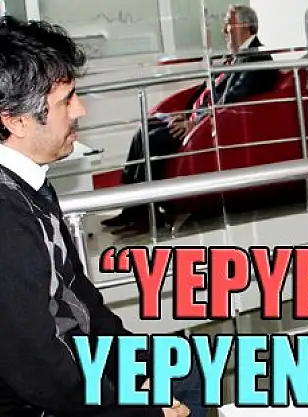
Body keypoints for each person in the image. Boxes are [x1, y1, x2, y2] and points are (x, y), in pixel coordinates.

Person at [0, 16, 204, 417]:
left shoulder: (30, 183)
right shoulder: (7, 220)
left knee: (184, 366)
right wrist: (142, 409)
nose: (81, 109)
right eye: (66, 100)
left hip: (76, 364)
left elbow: (81, 299)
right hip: (42, 402)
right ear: (15, 120)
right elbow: (42, 374)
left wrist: (136, 366)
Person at [103, 4, 280, 231]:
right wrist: (187, 113)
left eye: (228, 23)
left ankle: (148, 214)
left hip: (212, 129)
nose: (224, 30)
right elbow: (208, 91)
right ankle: (131, 210)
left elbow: (232, 101)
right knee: (144, 131)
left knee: (153, 140)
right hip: (199, 120)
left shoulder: (257, 59)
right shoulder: (236, 58)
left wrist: (195, 122)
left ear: (245, 26)